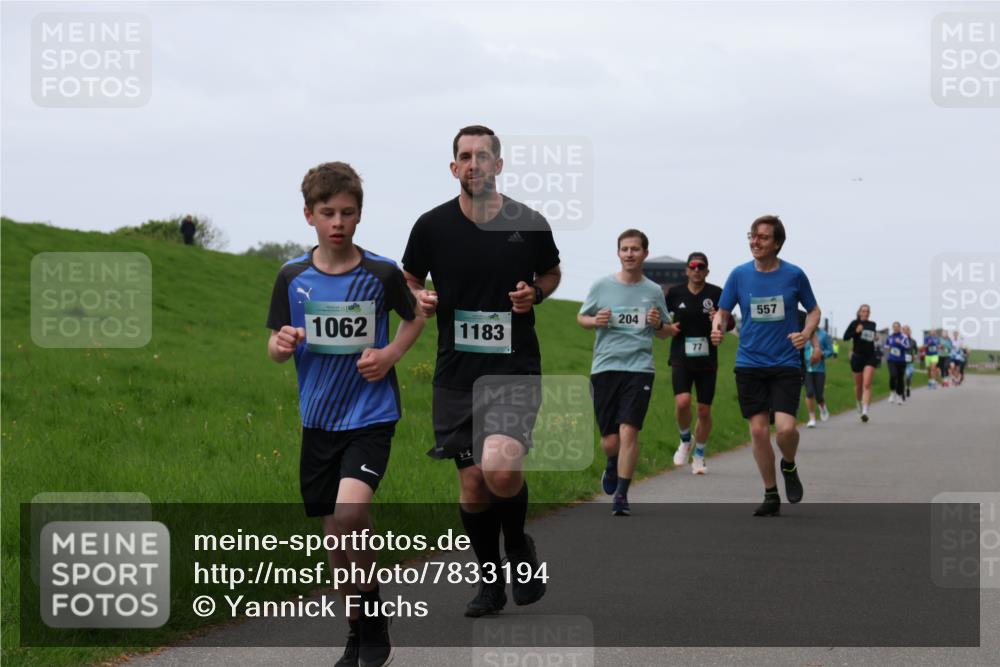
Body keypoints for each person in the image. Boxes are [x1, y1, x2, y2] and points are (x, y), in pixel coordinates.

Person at [266, 162, 423, 667]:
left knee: (352, 512)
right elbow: (275, 342)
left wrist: (390, 355)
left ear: (359, 215)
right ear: (308, 215)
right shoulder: (292, 276)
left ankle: (374, 620)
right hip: (318, 421)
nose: (338, 222)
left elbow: (415, 317)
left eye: (348, 212)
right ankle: (357, 632)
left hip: (370, 414)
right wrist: (282, 344)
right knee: (336, 539)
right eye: (328, 212)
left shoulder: (380, 272)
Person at [401, 125, 561, 617]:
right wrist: (420, 296)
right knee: (472, 482)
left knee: (500, 467)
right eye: (466, 156)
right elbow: (410, 277)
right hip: (456, 374)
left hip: (514, 369)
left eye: (483, 155)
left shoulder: (528, 223)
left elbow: (552, 272)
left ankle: (519, 548)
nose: (475, 164)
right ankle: (490, 581)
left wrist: (536, 293)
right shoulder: (432, 226)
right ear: (454, 167)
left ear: (499, 164)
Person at [711, 215, 820, 517]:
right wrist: (717, 327)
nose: (755, 242)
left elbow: (814, 310)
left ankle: (789, 464)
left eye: (763, 237)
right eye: (752, 235)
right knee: (759, 432)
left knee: (785, 430)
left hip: (785, 362)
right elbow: (722, 311)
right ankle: (771, 493)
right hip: (750, 363)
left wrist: (806, 333)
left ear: (777, 243)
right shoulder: (739, 275)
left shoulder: (794, 275)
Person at [578, 229, 670, 515]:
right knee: (610, 441)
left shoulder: (653, 291)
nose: (630, 254)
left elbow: (666, 331)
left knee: (629, 430)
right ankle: (611, 463)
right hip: (605, 367)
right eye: (625, 249)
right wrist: (595, 320)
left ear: (645, 253)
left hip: (639, 369)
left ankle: (621, 494)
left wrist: (657, 324)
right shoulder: (601, 286)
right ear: (618, 253)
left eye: (635, 249)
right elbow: (581, 318)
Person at [664, 252, 734, 474]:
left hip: (706, 359)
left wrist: (720, 320)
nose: (696, 270)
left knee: (704, 410)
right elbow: (661, 318)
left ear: (707, 271)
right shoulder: (675, 293)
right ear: (686, 270)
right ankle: (686, 440)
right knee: (683, 402)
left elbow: (730, 323)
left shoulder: (716, 293)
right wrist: (668, 328)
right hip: (681, 356)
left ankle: (700, 455)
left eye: (701, 267)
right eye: (692, 266)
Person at [843, 304, 878, 422]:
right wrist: (856, 331)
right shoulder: (854, 323)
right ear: (859, 312)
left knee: (867, 384)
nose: (865, 313)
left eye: (867, 311)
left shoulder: (872, 324)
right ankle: (858, 402)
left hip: (870, 357)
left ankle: (865, 411)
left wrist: (876, 337)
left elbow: (872, 337)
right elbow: (845, 337)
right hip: (857, 357)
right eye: (863, 311)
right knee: (858, 386)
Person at [803, 327, 834, 427]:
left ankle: (823, 407)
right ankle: (812, 418)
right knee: (809, 392)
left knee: (819, 395)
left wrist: (822, 354)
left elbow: (830, 350)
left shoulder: (824, 335)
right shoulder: (803, 333)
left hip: (819, 369)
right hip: (806, 368)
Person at [884, 321, 909, 405]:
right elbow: (886, 346)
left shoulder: (904, 337)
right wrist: (888, 347)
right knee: (893, 375)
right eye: (894, 327)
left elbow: (907, 347)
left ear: (899, 328)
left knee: (900, 379)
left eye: (897, 327)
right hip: (891, 360)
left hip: (901, 361)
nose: (895, 328)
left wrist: (900, 343)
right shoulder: (890, 337)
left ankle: (899, 396)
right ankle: (892, 393)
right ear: (892, 328)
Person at [902, 325, 918, 397]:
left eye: (907, 330)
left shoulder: (913, 341)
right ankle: (902, 390)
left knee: (908, 376)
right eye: (904, 331)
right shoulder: (901, 340)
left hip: (910, 361)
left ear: (909, 332)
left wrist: (915, 355)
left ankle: (908, 387)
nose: (906, 332)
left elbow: (916, 349)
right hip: (901, 361)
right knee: (903, 376)